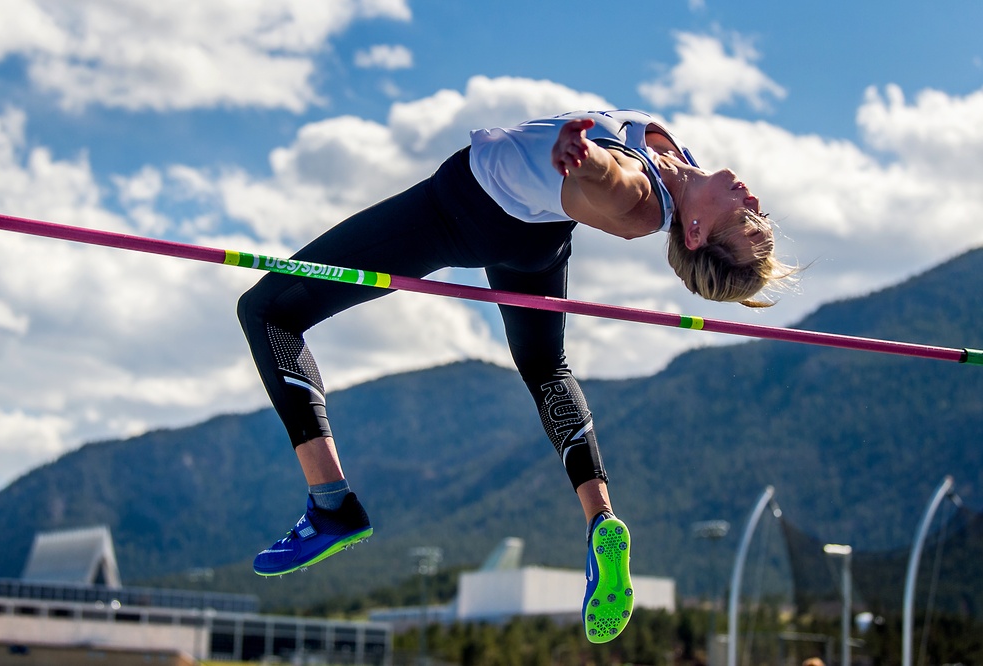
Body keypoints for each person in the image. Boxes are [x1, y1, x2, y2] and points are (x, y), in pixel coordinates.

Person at [237, 109, 792, 643]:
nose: (756, 202)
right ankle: (602, 521)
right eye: (758, 218)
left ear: (694, 232)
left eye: (745, 220)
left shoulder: (643, 200)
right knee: (546, 366)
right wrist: (581, 160)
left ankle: (331, 504)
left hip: (460, 210)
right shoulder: (676, 160)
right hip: (534, 235)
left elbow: (610, 186)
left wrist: (586, 159)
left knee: (267, 311)